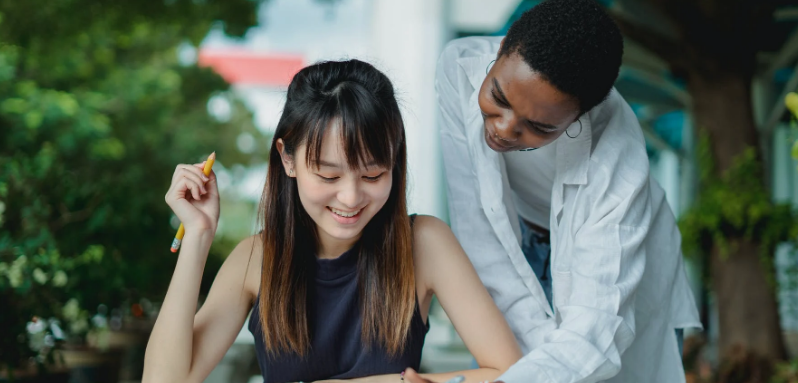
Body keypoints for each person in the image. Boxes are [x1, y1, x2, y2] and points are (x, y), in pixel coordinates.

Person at [142, 59, 522, 383]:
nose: (352, 197)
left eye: (373, 175)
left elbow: (512, 372)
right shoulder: (256, 258)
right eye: (328, 176)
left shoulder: (424, 242)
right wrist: (198, 235)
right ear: (287, 159)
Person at [427, 0, 701, 383]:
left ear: (582, 115)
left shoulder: (616, 163)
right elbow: (478, 228)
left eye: (539, 127)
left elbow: (594, 339)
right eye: (498, 98)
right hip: (520, 241)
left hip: (612, 260)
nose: (504, 129)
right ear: (503, 47)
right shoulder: (460, 67)